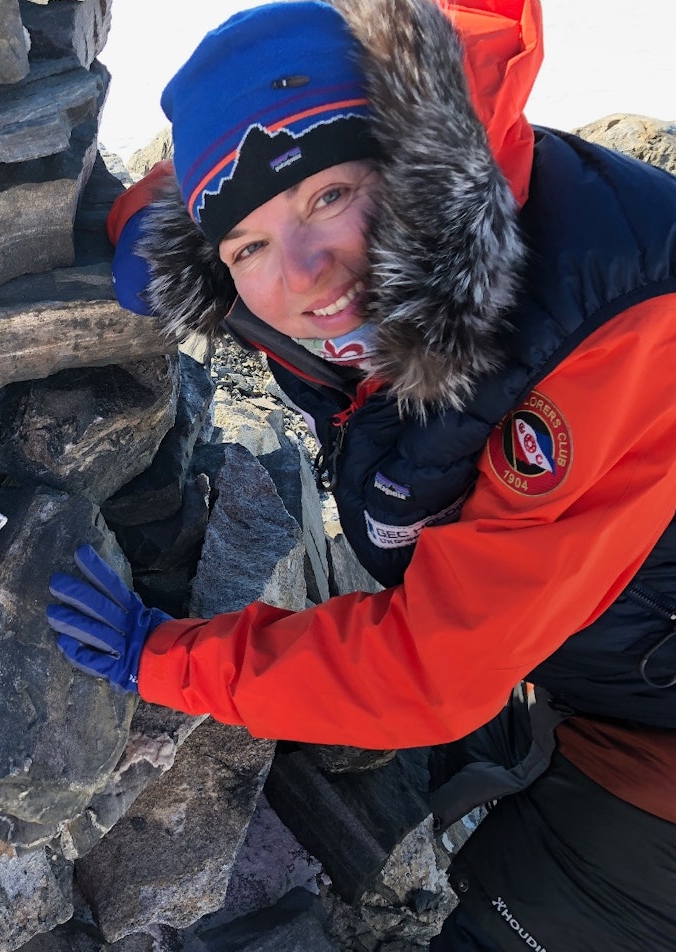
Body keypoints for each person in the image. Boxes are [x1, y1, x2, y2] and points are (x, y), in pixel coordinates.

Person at [46, 0, 676, 948]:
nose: (302, 275)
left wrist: (162, 658)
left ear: (413, 159)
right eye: (248, 246)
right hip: (603, 662)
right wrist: (158, 227)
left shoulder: (608, 327)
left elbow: (435, 671)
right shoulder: (373, 278)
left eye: (330, 197)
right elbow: (243, 178)